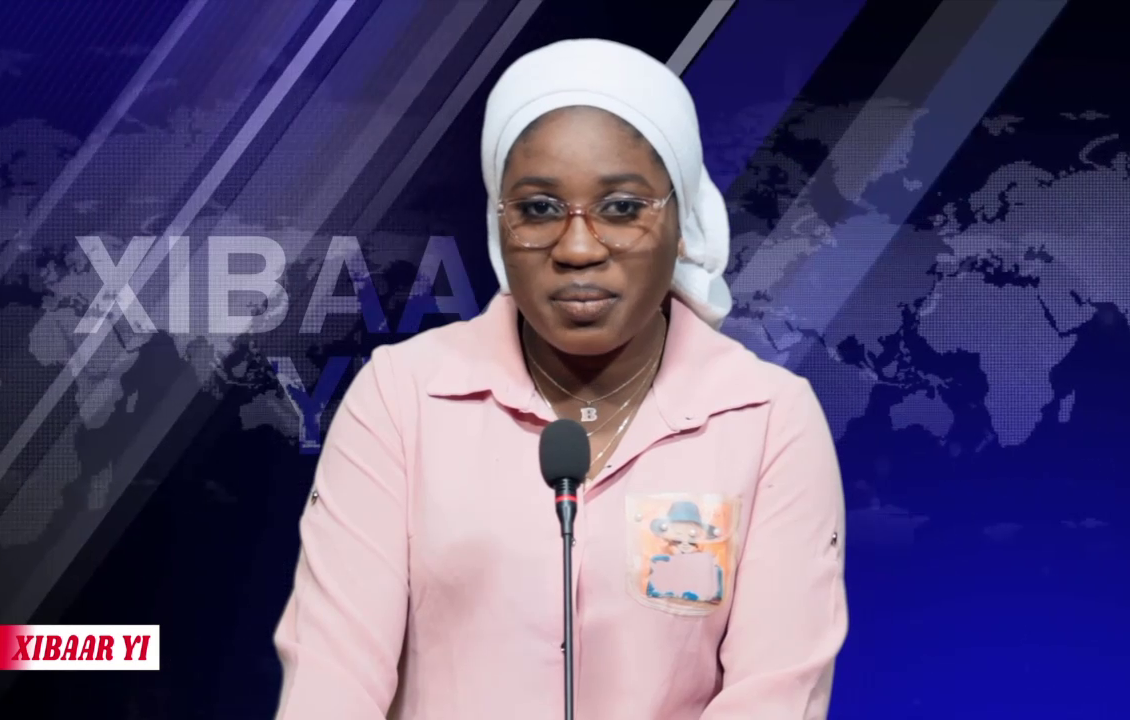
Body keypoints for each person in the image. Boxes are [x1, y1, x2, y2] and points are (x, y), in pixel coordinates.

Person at [272, 38, 848, 720]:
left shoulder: (768, 420)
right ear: (499, 221)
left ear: (684, 220)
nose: (577, 248)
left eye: (623, 207)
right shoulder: (402, 399)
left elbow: (773, 697)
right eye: (540, 208)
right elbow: (333, 682)